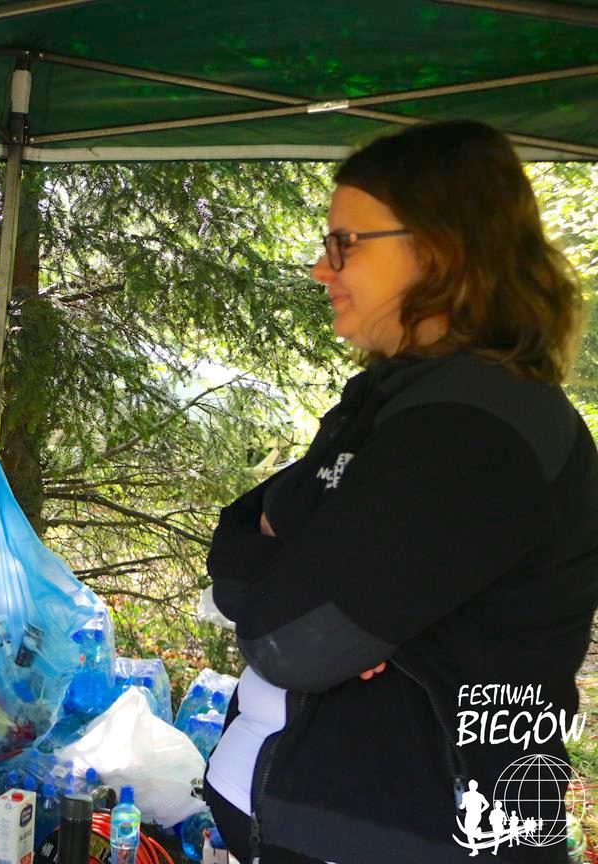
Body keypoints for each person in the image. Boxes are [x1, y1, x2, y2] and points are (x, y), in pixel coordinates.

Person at [202, 120, 598, 864]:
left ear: (441, 249)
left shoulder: (478, 425)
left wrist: (292, 575)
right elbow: (240, 544)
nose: (321, 269)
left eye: (344, 243)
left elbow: (290, 641)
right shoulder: (399, 400)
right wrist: (291, 576)